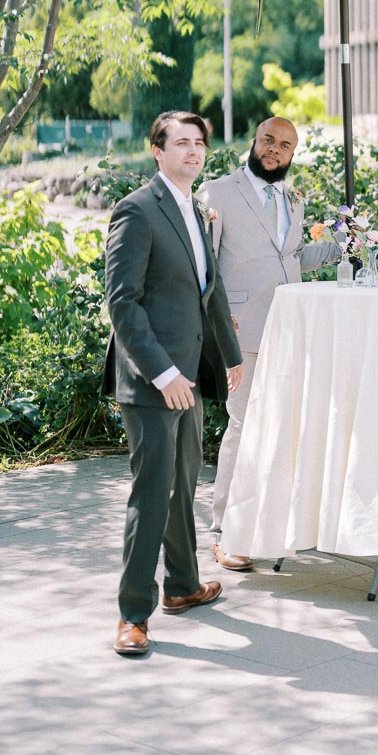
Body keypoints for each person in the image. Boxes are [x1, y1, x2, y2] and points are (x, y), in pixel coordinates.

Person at [104, 110, 244, 658]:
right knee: (153, 494)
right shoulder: (137, 210)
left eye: (198, 143)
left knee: (184, 485)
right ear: (157, 152)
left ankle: (182, 586)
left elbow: (211, 291)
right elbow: (122, 303)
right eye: (180, 142)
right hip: (152, 381)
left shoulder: (197, 210)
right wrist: (163, 374)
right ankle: (133, 615)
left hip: (190, 377)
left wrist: (229, 358)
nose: (192, 150)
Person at [203, 116, 338, 570]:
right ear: (253, 142)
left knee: (282, 431)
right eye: (268, 140)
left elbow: (293, 257)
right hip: (242, 329)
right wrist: (218, 326)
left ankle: (269, 524)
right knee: (242, 428)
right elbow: (203, 267)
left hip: (291, 328)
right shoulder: (219, 192)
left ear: (292, 154)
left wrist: (345, 243)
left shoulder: (293, 199)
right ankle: (223, 532)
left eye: (285, 145)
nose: (274, 150)